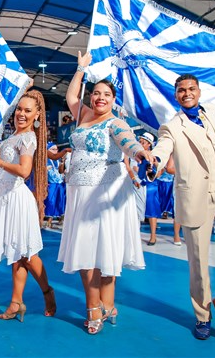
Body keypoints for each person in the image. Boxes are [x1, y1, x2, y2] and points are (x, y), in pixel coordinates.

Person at [150, 51, 215, 342]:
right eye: (181, 90)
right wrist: (154, 162)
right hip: (195, 197)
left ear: (199, 92)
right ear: (176, 95)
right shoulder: (173, 126)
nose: (186, 93)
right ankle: (203, 315)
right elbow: (162, 148)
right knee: (198, 262)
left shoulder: (213, 111)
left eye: (191, 89)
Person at [57, 52, 150, 335]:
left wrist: (141, 153)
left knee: (99, 250)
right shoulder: (83, 114)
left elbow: (129, 144)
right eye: (96, 93)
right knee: (89, 251)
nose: (99, 98)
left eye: (105, 94)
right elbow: (71, 97)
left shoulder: (116, 123)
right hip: (78, 192)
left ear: (113, 99)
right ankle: (106, 305)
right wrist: (80, 69)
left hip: (103, 192)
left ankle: (96, 307)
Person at [0, 90, 57, 322]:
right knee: (18, 253)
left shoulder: (28, 138)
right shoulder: (13, 135)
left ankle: (48, 292)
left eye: (27, 110)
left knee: (28, 253)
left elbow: (24, 171)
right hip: (5, 198)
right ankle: (16, 302)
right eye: (19, 109)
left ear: (37, 115)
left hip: (17, 198)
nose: (21, 114)